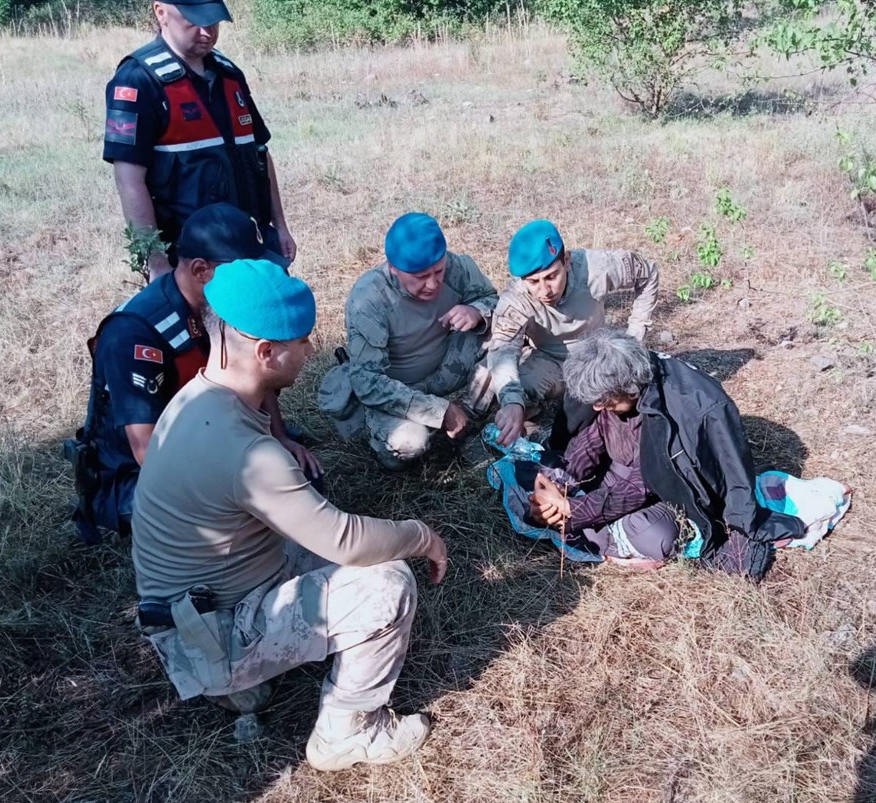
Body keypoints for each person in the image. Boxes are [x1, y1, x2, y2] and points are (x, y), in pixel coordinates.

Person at [131, 259, 449, 771]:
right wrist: (421, 535)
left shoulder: (198, 398)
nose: (309, 350)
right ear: (266, 352)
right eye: (302, 341)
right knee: (387, 581)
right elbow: (347, 542)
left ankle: (242, 684)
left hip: (194, 613)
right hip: (207, 636)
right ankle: (347, 731)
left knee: (327, 537)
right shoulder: (245, 453)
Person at [67, 203, 316, 543]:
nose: (252, 278)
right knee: (253, 512)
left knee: (299, 479)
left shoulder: (228, 304)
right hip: (140, 477)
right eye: (242, 268)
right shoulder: (135, 334)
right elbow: (148, 452)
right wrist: (239, 478)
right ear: (201, 270)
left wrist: (278, 435)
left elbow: (258, 374)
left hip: (214, 436)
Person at [527, 330, 806, 578]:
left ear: (630, 387)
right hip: (616, 477)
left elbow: (646, 481)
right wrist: (555, 484)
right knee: (538, 492)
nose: (598, 408)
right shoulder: (611, 394)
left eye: (605, 401)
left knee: (654, 535)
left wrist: (574, 511)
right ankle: (602, 537)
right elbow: (591, 440)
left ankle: (603, 539)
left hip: (669, 492)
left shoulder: (681, 406)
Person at [102, 0, 295, 278]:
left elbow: (260, 153)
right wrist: (155, 261)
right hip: (193, 261)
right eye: (194, 21)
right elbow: (129, 180)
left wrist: (280, 226)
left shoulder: (229, 74)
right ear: (161, 12)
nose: (207, 32)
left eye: (213, 21)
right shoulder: (137, 80)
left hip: (251, 244)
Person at [318, 213, 498, 470]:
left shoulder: (457, 267)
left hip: (444, 368)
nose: (433, 283)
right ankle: (373, 426)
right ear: (393, 268)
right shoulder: (368, 299)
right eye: (421, 276)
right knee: (408, 442)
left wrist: (477, 311)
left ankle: (469, 419)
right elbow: (368, 383)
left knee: (504, 334)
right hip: (396, 387)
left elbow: (495, 302)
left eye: (438, 271)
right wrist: (438, 411)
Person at [488, 220, 660, 448]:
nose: (544, 290)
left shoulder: (596, 268)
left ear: (566, 260)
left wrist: (635, 336)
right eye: (533, 282)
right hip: (551, 359)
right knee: (522, 391)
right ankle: (529, 431)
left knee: (631, 391)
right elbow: (502, 349)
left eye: (551, 277)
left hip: (595, 355)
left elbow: (648, 273)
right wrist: (511, 401)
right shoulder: (515, 300)